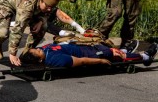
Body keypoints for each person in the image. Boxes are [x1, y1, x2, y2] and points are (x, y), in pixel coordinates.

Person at [0, 0, 63, 66]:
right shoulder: (27, 4)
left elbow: (50, 11)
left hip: (24, 1)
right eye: (47, 7)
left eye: (51, 7)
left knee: (43, 27)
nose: (49, 9)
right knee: (2, 33)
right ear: (41, 0)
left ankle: (27, 53)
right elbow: (18, 29)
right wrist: (12, 53)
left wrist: (41, 21)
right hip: (6, 0)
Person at [21, 41, 157, 68]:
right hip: (90, 54)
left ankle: (125, 51)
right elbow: (82, 61)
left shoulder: (45, 50)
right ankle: (146, 57)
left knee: (104, 46)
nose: (40, 49)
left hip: (83, 47)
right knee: (110, 53)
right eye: (38, 52)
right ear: (39, 60)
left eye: (37, 49)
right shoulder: (56, 60)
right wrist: (100, 61)